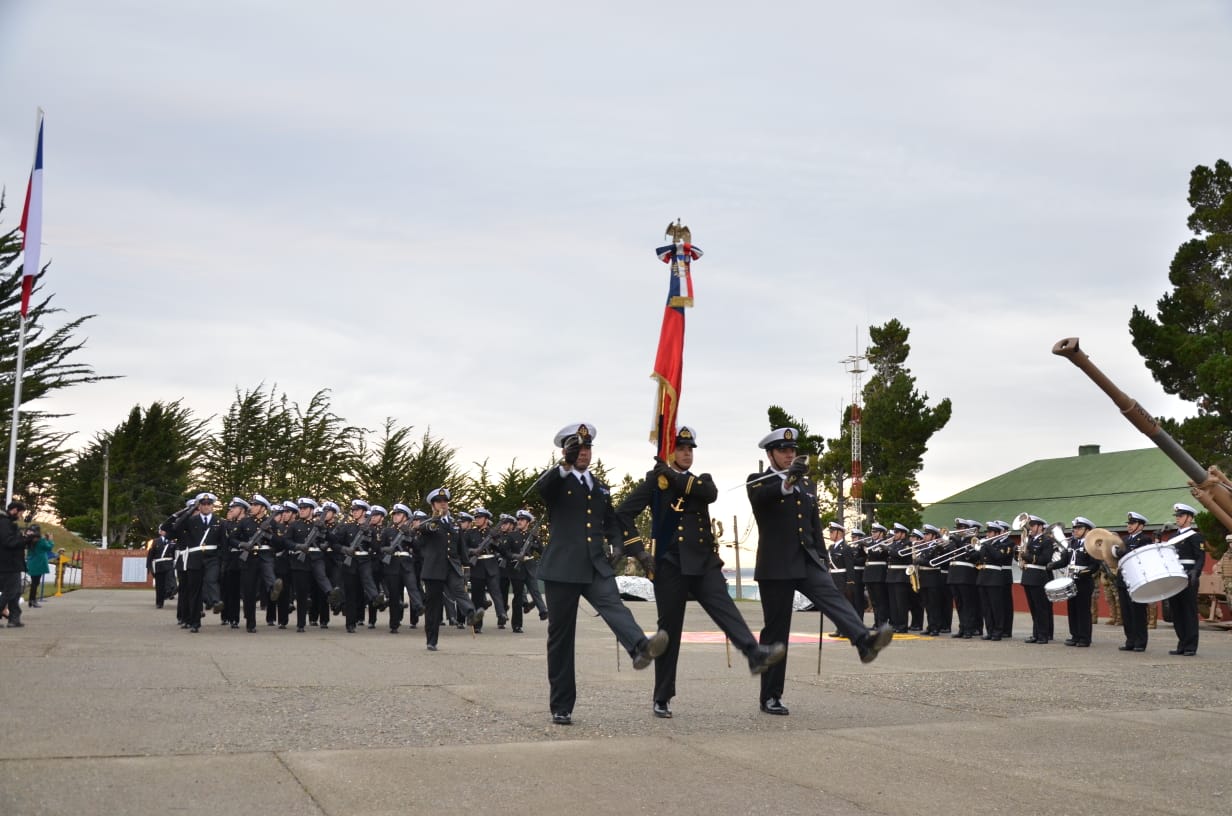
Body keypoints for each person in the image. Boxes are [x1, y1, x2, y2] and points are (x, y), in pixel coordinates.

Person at [616, 425, 786, 719]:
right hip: (670, 566)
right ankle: (662, 696)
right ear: (670, 452)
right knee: (670, 632)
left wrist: (672, 477)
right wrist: (640, 552)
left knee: (727, 610)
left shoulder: (700, 481)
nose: (686, 453)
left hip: (703, 562)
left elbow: (709, 494)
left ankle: (753, 653)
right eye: (681, 448)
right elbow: (622, 514)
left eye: (690, 449)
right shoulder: (655, 483)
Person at [747, 428, 892, 716]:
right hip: (776, 567)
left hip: (806, 562)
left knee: (834, 597)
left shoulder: (805, 486)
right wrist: (788, 480)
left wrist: (823, 560)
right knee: (777, 632)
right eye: (783, 451)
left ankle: (863, 640)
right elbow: (763, 500)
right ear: (770, 454)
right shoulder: (758, 481)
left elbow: (812, 526)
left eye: (793, 451)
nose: (790, 455)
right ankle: (771, 696)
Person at [533, 422, 669, 725]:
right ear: (566, 451)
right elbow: (544, 489)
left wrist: (619, 546)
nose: (584, 453)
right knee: (561, 638)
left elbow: (611, 522)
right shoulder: (558, 480)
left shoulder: (598, 487)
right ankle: (562, 705)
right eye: (577, 448)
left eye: (587, 448)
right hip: (562, 569)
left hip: (595, 565)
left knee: (614, 605)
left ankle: (639, 647)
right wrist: (563, 464)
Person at [416, 487, 481, 650]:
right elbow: (422, 531)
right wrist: (436, 518)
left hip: (452, 566)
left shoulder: (454, 524)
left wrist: (466, 565)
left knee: (459, 590)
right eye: (439, 502)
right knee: (434, 606)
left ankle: (471, 614)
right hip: (434, 569)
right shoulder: (429, 523)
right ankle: (431, 640)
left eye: (445, 502)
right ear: (433, 505)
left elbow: (461, 547)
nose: (443, 504)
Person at [1165, 503, 1205, 656]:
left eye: (1180, 516)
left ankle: (1191, 646)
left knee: (1188, 611)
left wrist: (1196, 572)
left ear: (1189, 518)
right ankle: (1181, 643)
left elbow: (1200, 557)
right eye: (1176, 516)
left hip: (1188, 576)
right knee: (1177, 611)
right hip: (1175, 577)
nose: (1177, 519)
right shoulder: (1173, 537)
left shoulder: (1195, 536)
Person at [1112, 511, 1153, 652]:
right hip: (1123, 579)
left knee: (1137, 612)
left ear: (1141, 525)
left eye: (1133, 523)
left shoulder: (1145, 539)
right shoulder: (1125, 539)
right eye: (1129, 524)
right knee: (1126, 612)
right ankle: (1130, 640)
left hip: (1136, 578)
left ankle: (1140, 642)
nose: (1129, 526)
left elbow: (1134, 554)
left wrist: (1120, 551)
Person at [1056, 517, 1097, 647]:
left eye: (1079, 528)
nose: (1075, 530)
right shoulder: (1072, 543)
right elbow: (1064, 561)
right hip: (1070, 580)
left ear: (1087, 530)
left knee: (1083, 609)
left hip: (1083, 580)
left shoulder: (1092, 544)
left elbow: (1095, 564)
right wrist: (1052, 565)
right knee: (1072, 608)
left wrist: (1085, 572)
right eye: (1074, 528)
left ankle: (1084, 638)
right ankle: (1075, 635)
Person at [464, 508, 507, 632]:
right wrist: (473, 551)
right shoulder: (470, 533)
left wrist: (496, 541)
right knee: (477, 597)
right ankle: (477, 625)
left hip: (491, 566)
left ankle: (501, 615)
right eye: (476, 517)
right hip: (477, 567)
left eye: (479, 517)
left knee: (496, 592)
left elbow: (503, 551)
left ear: (486, 519)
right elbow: (463, 548)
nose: (476, 519)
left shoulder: (493, 533)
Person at [1018, 515, 1055, 644]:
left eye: (1033, 526)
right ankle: (1036, 633)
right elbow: (1023, 557)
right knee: (1033, 608)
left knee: (1041, 608)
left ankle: (1044, 635)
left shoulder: (1046, 541)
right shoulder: (1029, 540)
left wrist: (1028, 556)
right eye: (1030, 526)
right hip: (1028, 576)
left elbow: (1045, 559)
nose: (1030, 528)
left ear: (1040, 527)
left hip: (1039, 576)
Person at [0, 501, 27, 627]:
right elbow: (8, 542)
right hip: (8, 564)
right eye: (20, 513)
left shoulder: (7, 523)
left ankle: (14, 618)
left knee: (15, 592)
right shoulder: (4, 523)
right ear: (15, 510)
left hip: (12, 564)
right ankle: (11, 617)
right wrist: (24, 539)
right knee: (10, 592)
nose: (20, 516)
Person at [146, 528, 178, 609]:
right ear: (160, 532)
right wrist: (149, 567)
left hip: (169, 564)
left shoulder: (172, 542)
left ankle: (170, 592)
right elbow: (150, 555)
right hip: (159, 565)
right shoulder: (155, 541)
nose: (165, 532)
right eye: (163, 530)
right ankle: (159, 602)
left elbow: (175, 554)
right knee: (159, 585)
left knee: (171, 581)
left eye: (166, 530)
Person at [24, 526, 53, 608]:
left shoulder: (29, 540)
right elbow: (49, 548)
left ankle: (31, 600)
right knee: (35, 583)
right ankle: (33, 600)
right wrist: (50, 540)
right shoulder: (41, 540)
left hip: (32, 563)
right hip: (39, 563)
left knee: (34, 582)